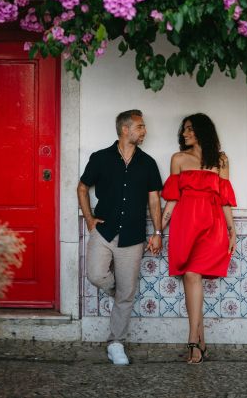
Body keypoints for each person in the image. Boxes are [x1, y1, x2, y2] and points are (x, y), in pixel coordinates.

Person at [77, 109, 163, 365]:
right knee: (96, 275)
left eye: (144, 126)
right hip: (103, 231)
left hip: (133, 236)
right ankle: (119, 292)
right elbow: (82, 187)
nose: (144, 131)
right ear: (125, 129)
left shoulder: (148, 163)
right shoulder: (100, 158)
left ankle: (116, 343)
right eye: (140, 126)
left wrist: (158, 233)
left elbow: (154, 200)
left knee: (127, 294)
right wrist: (89, 218)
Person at [161, 113, 237, 364]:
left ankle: (192, 339)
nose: (185, 134)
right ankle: (201, 343)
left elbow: (225, 198)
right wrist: (158, 230)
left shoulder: (221, 160)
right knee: (191, 277)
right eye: (184, 130)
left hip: (212, 225)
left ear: (202, 130)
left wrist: (232, 230)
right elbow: (172, 199)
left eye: (190, 129)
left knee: (193, 276)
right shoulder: (178, 159)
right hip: (185, 224)